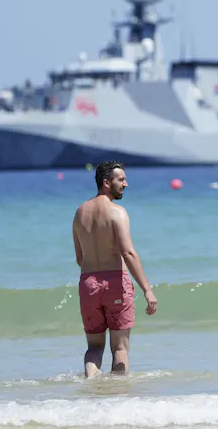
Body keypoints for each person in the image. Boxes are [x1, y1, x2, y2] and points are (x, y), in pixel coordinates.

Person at [72, 161, 158, 378]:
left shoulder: (80, 213)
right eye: (121, 180)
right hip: (115, 284)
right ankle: (118, 400)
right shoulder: (117, 212)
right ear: (106, 182)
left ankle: (91, 385)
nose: (126, 184)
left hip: (88, 283)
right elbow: (128, 253)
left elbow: (79, 257)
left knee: (94, 347)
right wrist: (147, 289)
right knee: (120, 348)